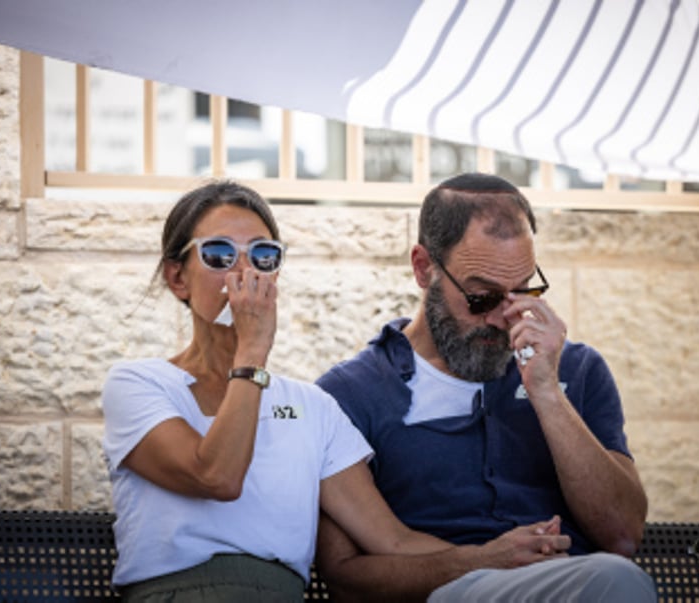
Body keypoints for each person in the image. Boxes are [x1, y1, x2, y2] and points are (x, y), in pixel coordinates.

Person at [101, 180, 468, 602]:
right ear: (177, 277)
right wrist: (252, 350)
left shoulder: (311, 407)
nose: (244, 271)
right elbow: (216, 476)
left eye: (263, 255)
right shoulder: (140, 385)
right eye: (219, 254)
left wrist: (495, 560)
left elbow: (391, 541)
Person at [315, 172, 656, 601]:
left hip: (573, 587)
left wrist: (548, 394)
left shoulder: (577, 370)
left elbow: (623, 536)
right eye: (482, 298)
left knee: (613, 576)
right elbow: (344, 576)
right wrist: (482, 562)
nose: (503, 318)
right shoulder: (352, 393)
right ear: (424, 268)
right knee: (613, 581)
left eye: (522, 293)